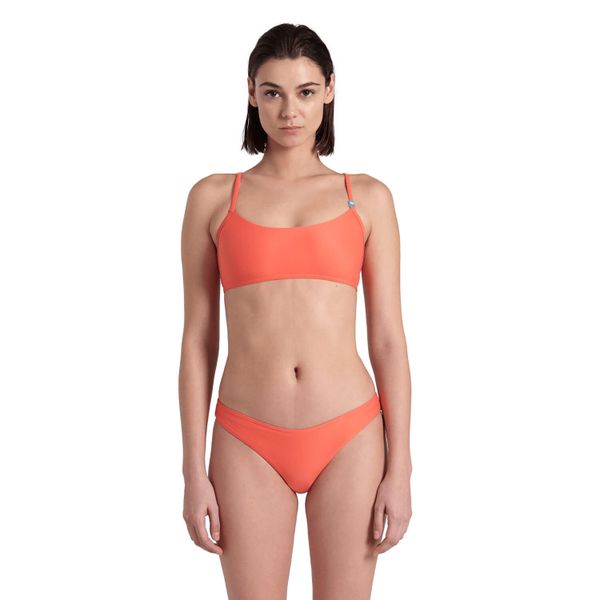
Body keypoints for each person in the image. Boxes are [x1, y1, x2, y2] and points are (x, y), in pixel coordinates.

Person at [178, 23, 412, 599]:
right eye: (273, 92)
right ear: (251, 92)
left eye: (306, 92)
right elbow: (198, 340)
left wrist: (401, 468)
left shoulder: (367, 198)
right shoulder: (213, 197)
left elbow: (387, 340)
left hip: (350, 433)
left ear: (329, 90)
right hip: (246, 437)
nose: (289, 111)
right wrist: (192, 471)